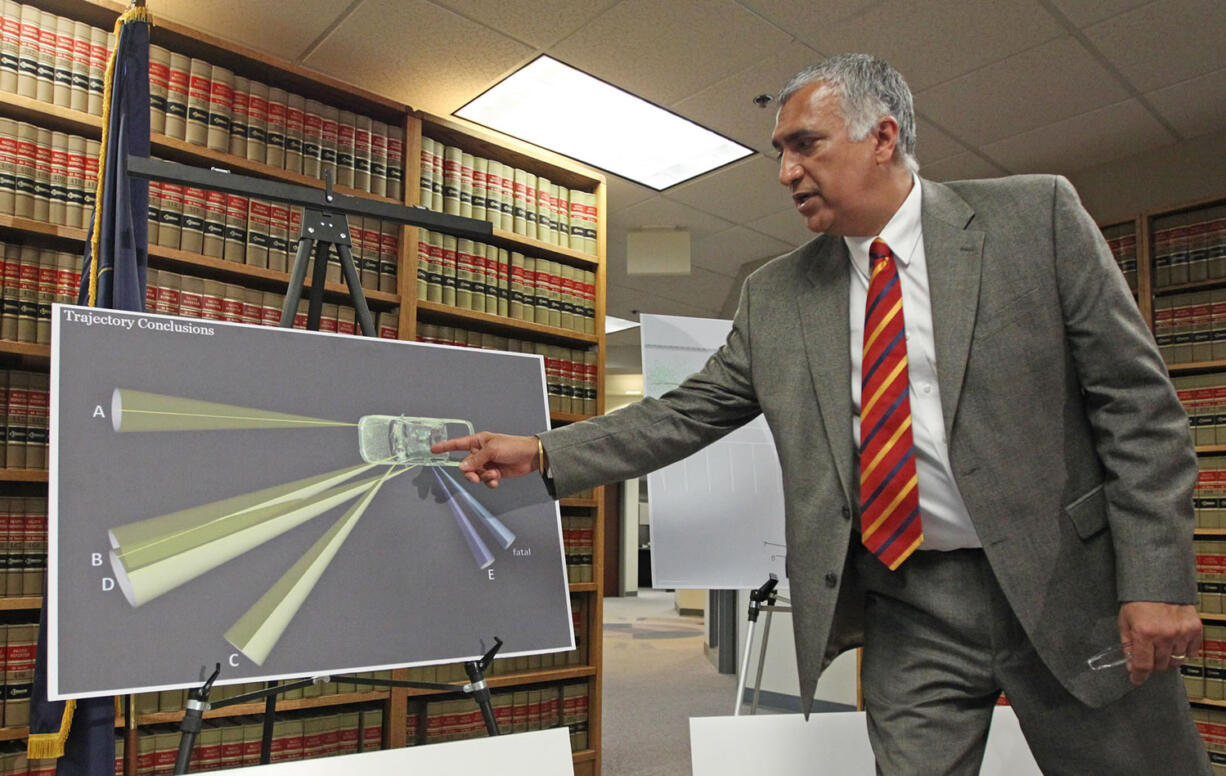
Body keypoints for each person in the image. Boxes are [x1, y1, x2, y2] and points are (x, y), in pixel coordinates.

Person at [433, 54, 1210, 774]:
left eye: (804, 144)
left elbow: (1138, 409)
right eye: (779, 151)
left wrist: (1157, 579)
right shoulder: (775, 295)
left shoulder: (1031, 218)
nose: (785, 172)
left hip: (1066, 585)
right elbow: (685, 413)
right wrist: (542, 452)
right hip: (913, 601)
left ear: (883, 137)